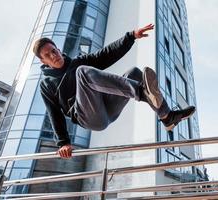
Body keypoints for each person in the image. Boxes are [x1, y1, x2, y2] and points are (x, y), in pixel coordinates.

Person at [33, 23, 195, 159]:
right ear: (43, 61)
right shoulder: (47, 84)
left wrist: (131, 36)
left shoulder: (77, 61)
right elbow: (54, 113)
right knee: (82, 72)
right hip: (89, 117)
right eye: (48, 55)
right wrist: (63, 143)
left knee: (134, 73)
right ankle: (142, 92)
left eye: (54, 50)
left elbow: (106, 55)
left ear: (58, 49)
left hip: (108, 107)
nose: (54, 56)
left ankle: (167, 116)